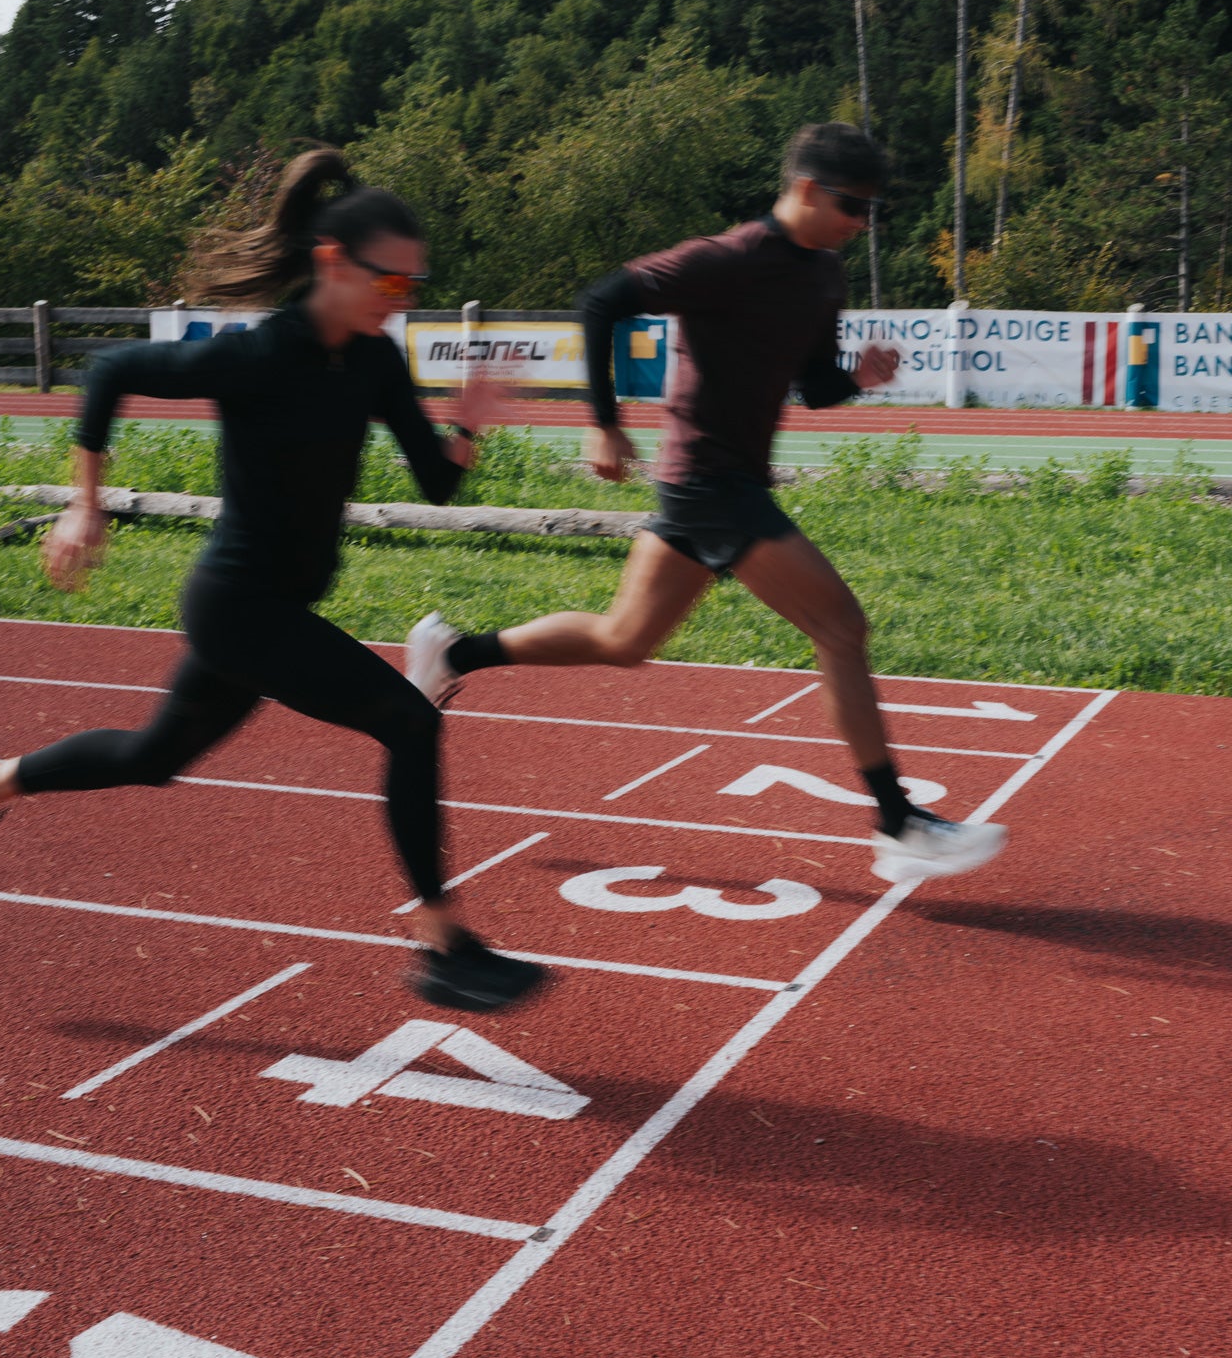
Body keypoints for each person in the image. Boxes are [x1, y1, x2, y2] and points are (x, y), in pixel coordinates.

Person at [0, 148, 546, 1013]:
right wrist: (82, 506)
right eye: (391, 286)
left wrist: (466, 425)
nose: (403, 303)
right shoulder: (258, 356)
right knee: (407, 720)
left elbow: (436, 482)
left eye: (413, 290)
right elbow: (110, 373)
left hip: (267, 609)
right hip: (238, 606)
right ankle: (444, 946)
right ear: (331, 263)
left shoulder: (373, 364)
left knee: (152, 756)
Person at [406, 123, 1006, 883]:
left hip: (725, 487)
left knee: (624, 640)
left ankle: (452, 652)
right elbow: (601, 303)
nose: (862, 223)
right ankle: (897, 824)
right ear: (808, 190)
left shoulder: (824, 276)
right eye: (853, 206)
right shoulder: (725, 259)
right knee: (842, 627)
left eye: (872, 211)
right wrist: (604, 421)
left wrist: (861, 376)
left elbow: (814, 383)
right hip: (709, 482)